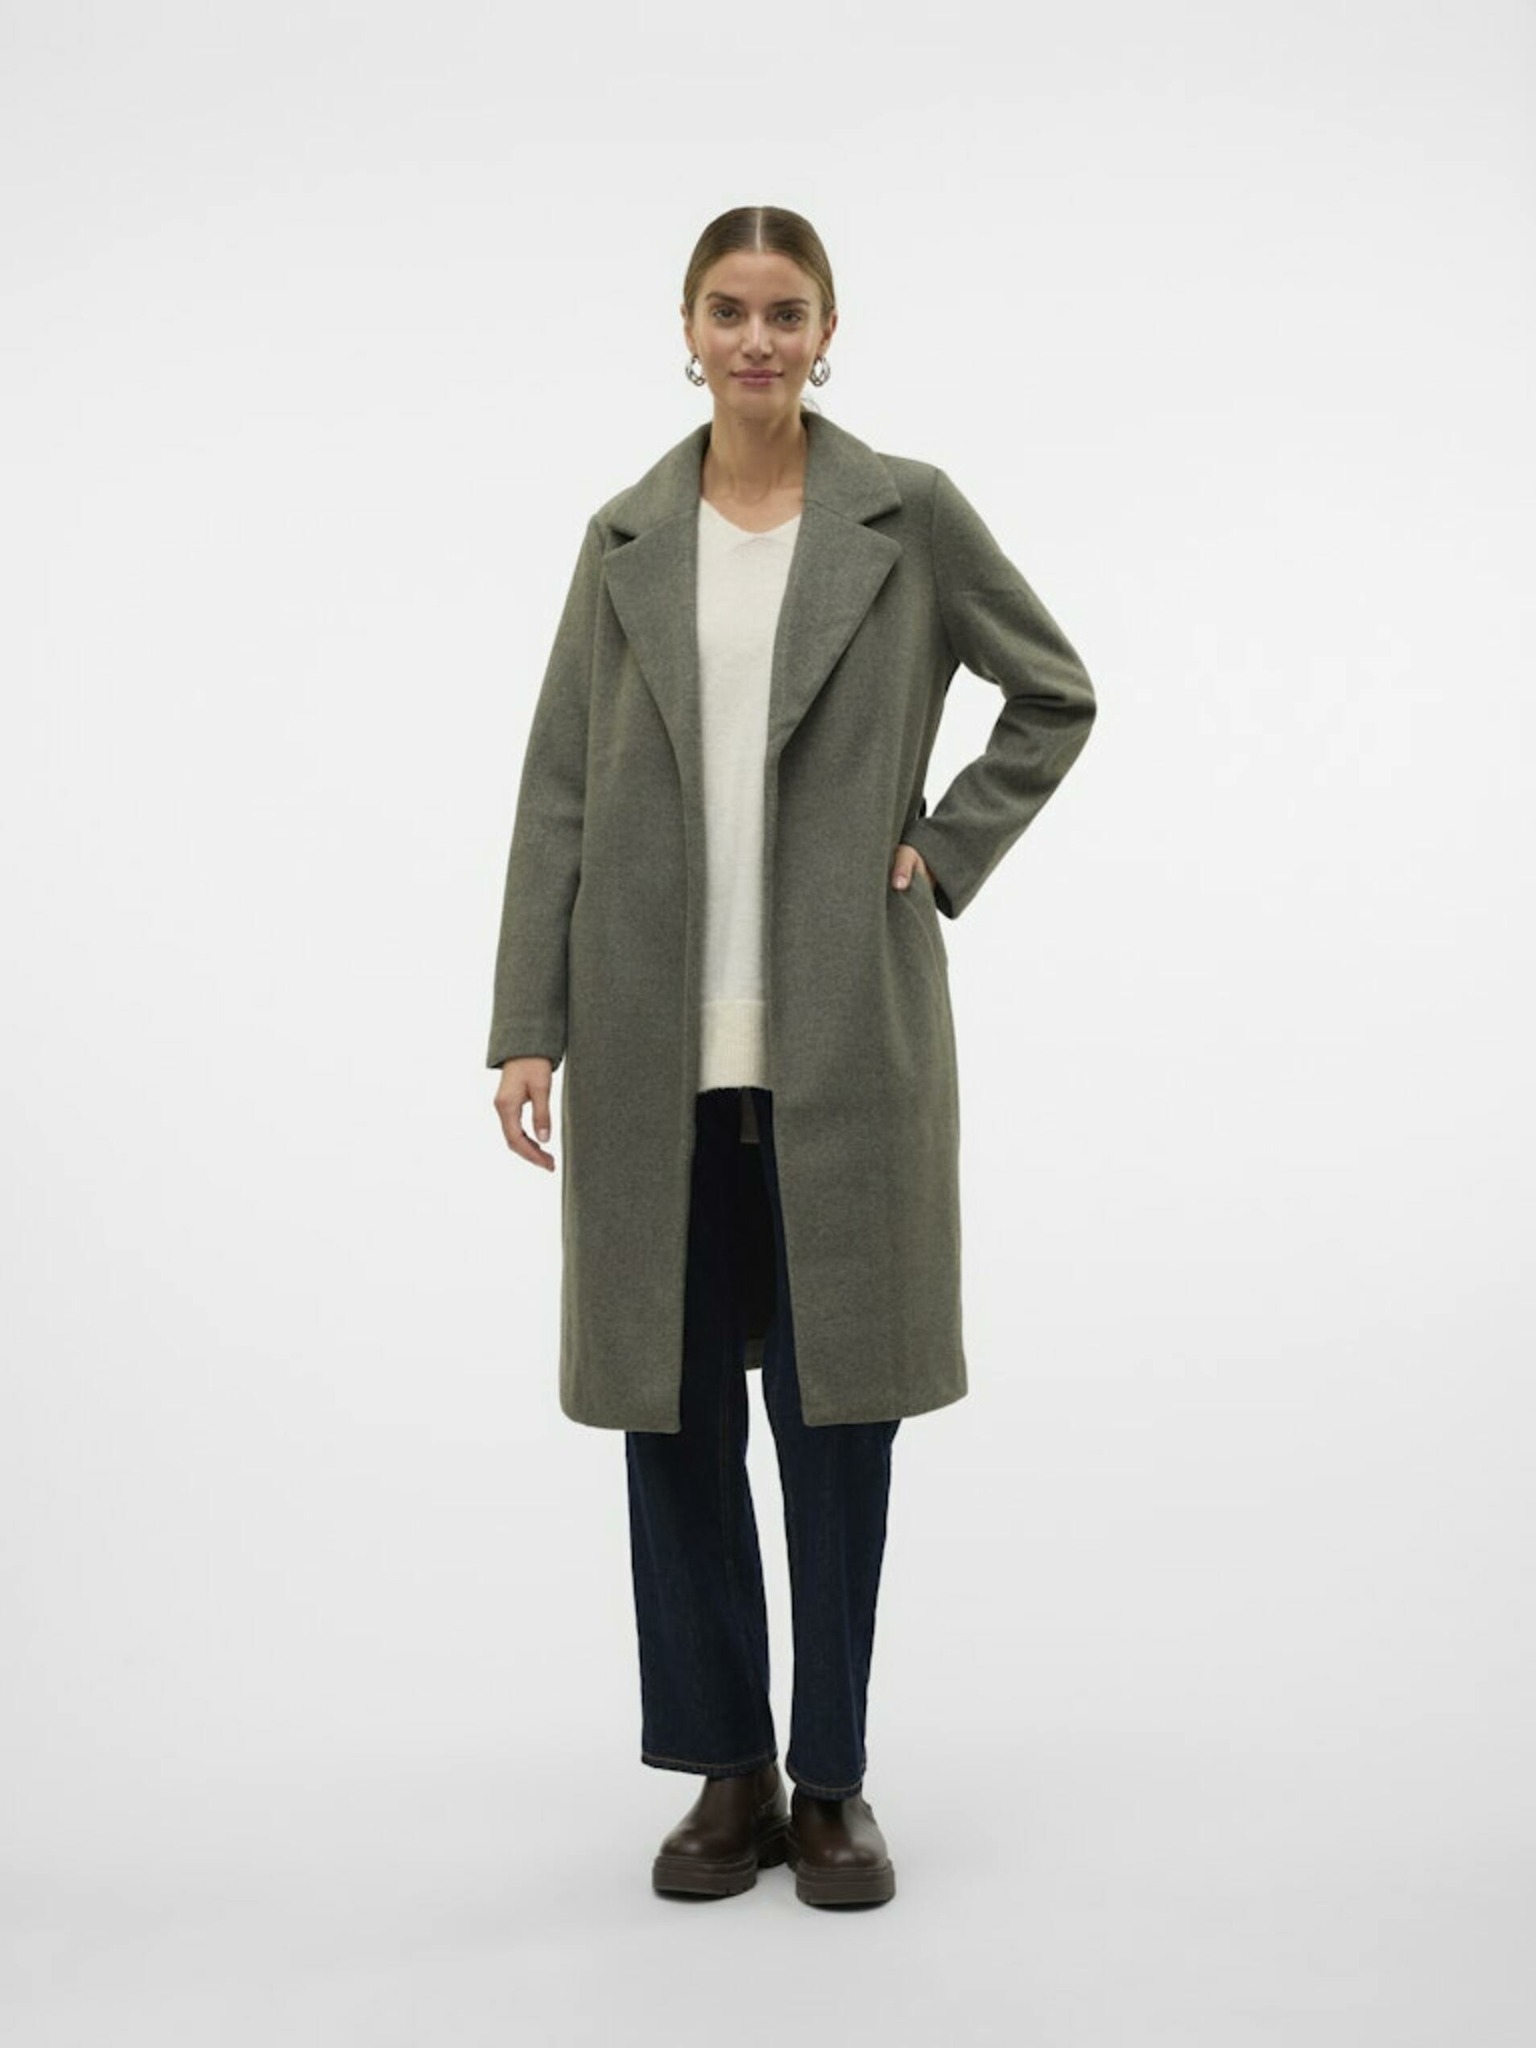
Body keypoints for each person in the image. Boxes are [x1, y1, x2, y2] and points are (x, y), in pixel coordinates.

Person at [487, 205, 1097, 1909]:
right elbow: (558, 787)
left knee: (839, 1430)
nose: (756, 339)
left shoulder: (908, 515)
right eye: (728, 309)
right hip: (649, 1047)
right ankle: (725, 1771)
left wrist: (942, 851)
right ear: (686, 330)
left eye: (785, 311)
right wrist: (527, 1021)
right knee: (671, 1421)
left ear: (829, 333)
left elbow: (1053, 692)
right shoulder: (625, 537)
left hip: (842, 1040)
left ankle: (830, 1779)